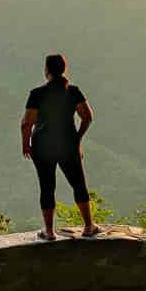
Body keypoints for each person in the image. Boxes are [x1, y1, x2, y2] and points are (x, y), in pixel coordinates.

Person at [21, 53, 100, 240]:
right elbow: (87, 117)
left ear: (46, 70)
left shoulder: (37, 94)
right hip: (68, 145)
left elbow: (27, 123)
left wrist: (26, 144)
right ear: (64, 69)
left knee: (47, 187)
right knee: (78, 184)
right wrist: (77, 138)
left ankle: (49, 231)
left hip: (42, 147)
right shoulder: (73, 91)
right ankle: (89, 226)